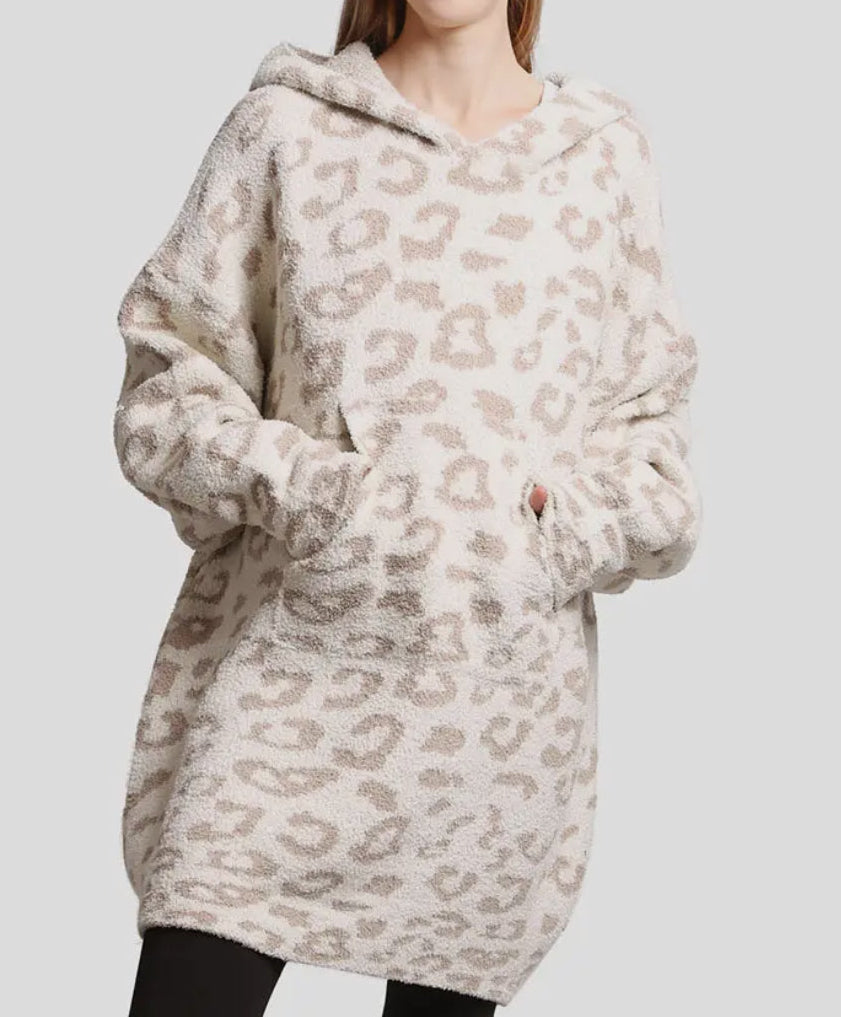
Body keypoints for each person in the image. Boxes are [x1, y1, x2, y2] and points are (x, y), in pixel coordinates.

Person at [115, 1, 702, 1014]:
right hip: (285, 692)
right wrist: (320, 494)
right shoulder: (285, 128)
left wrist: (547, 532)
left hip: (493, 719)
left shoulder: (600, 157)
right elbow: (165, 392)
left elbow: (651, 450)